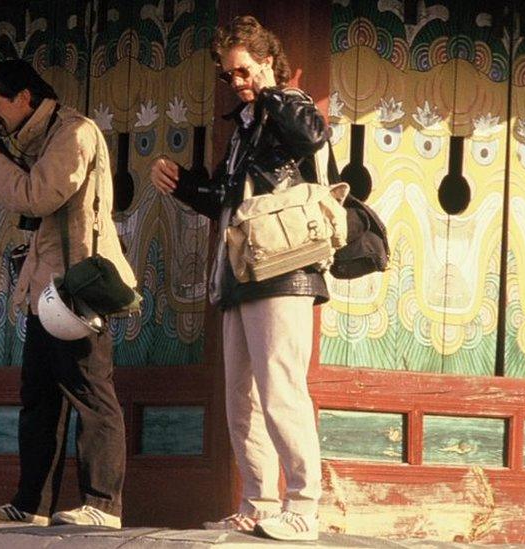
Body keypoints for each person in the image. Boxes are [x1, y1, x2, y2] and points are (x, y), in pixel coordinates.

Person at [149, 15, 328, 541]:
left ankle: (305, 505)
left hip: (285, 271)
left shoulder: (289, 104)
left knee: (281, 391)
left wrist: (270, 94)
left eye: (245, 71)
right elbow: (229, 203)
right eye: (230, 76)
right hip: (240, 271)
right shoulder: (243, 126)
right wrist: (184, 185)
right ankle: (259, 501)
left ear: (268, 63)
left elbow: (312, 137)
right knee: (242, 398)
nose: (238, 82)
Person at [0, 59, 136, 530]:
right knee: (40, 398)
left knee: (90, 393)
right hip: (47, 287)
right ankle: (31, 504)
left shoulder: (74, 133)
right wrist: (2, 150)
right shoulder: (38, 138)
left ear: (25, 97)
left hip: (76, 286)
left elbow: (38, 196)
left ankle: (102, 506)